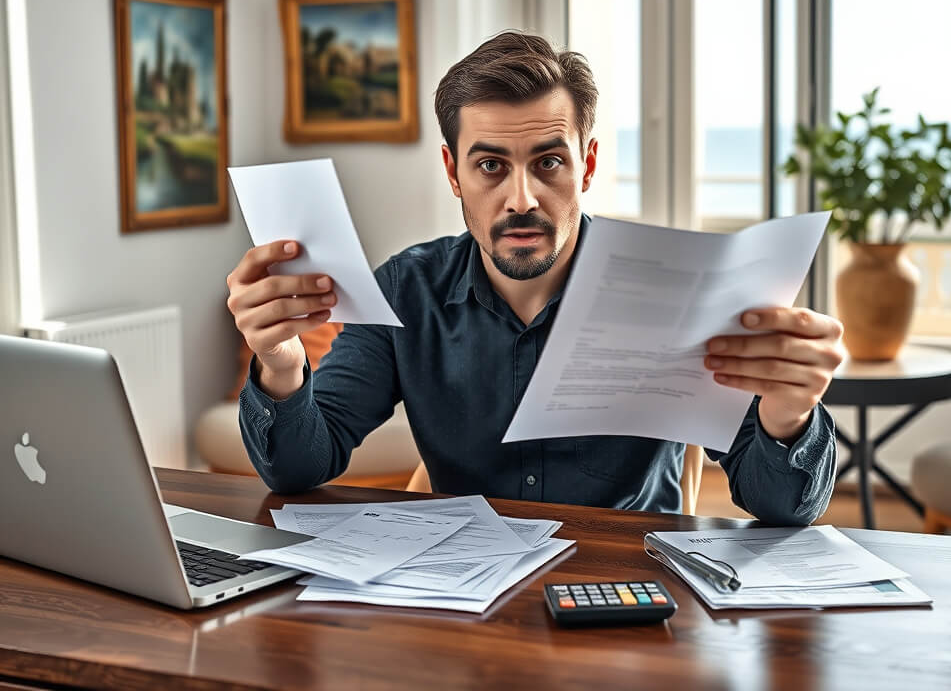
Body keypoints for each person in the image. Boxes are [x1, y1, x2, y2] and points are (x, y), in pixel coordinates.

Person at [226, 31, 844, 523]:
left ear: (588, 164)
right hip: (466, 612)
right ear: (452, 173)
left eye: (548, 161)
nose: (520, 197)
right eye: (490, 165)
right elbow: (301, 467)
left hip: (633, 606)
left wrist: (788, 414)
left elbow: (779, 506)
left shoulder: (678, 290)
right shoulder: (406, 291)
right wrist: (279, 366)